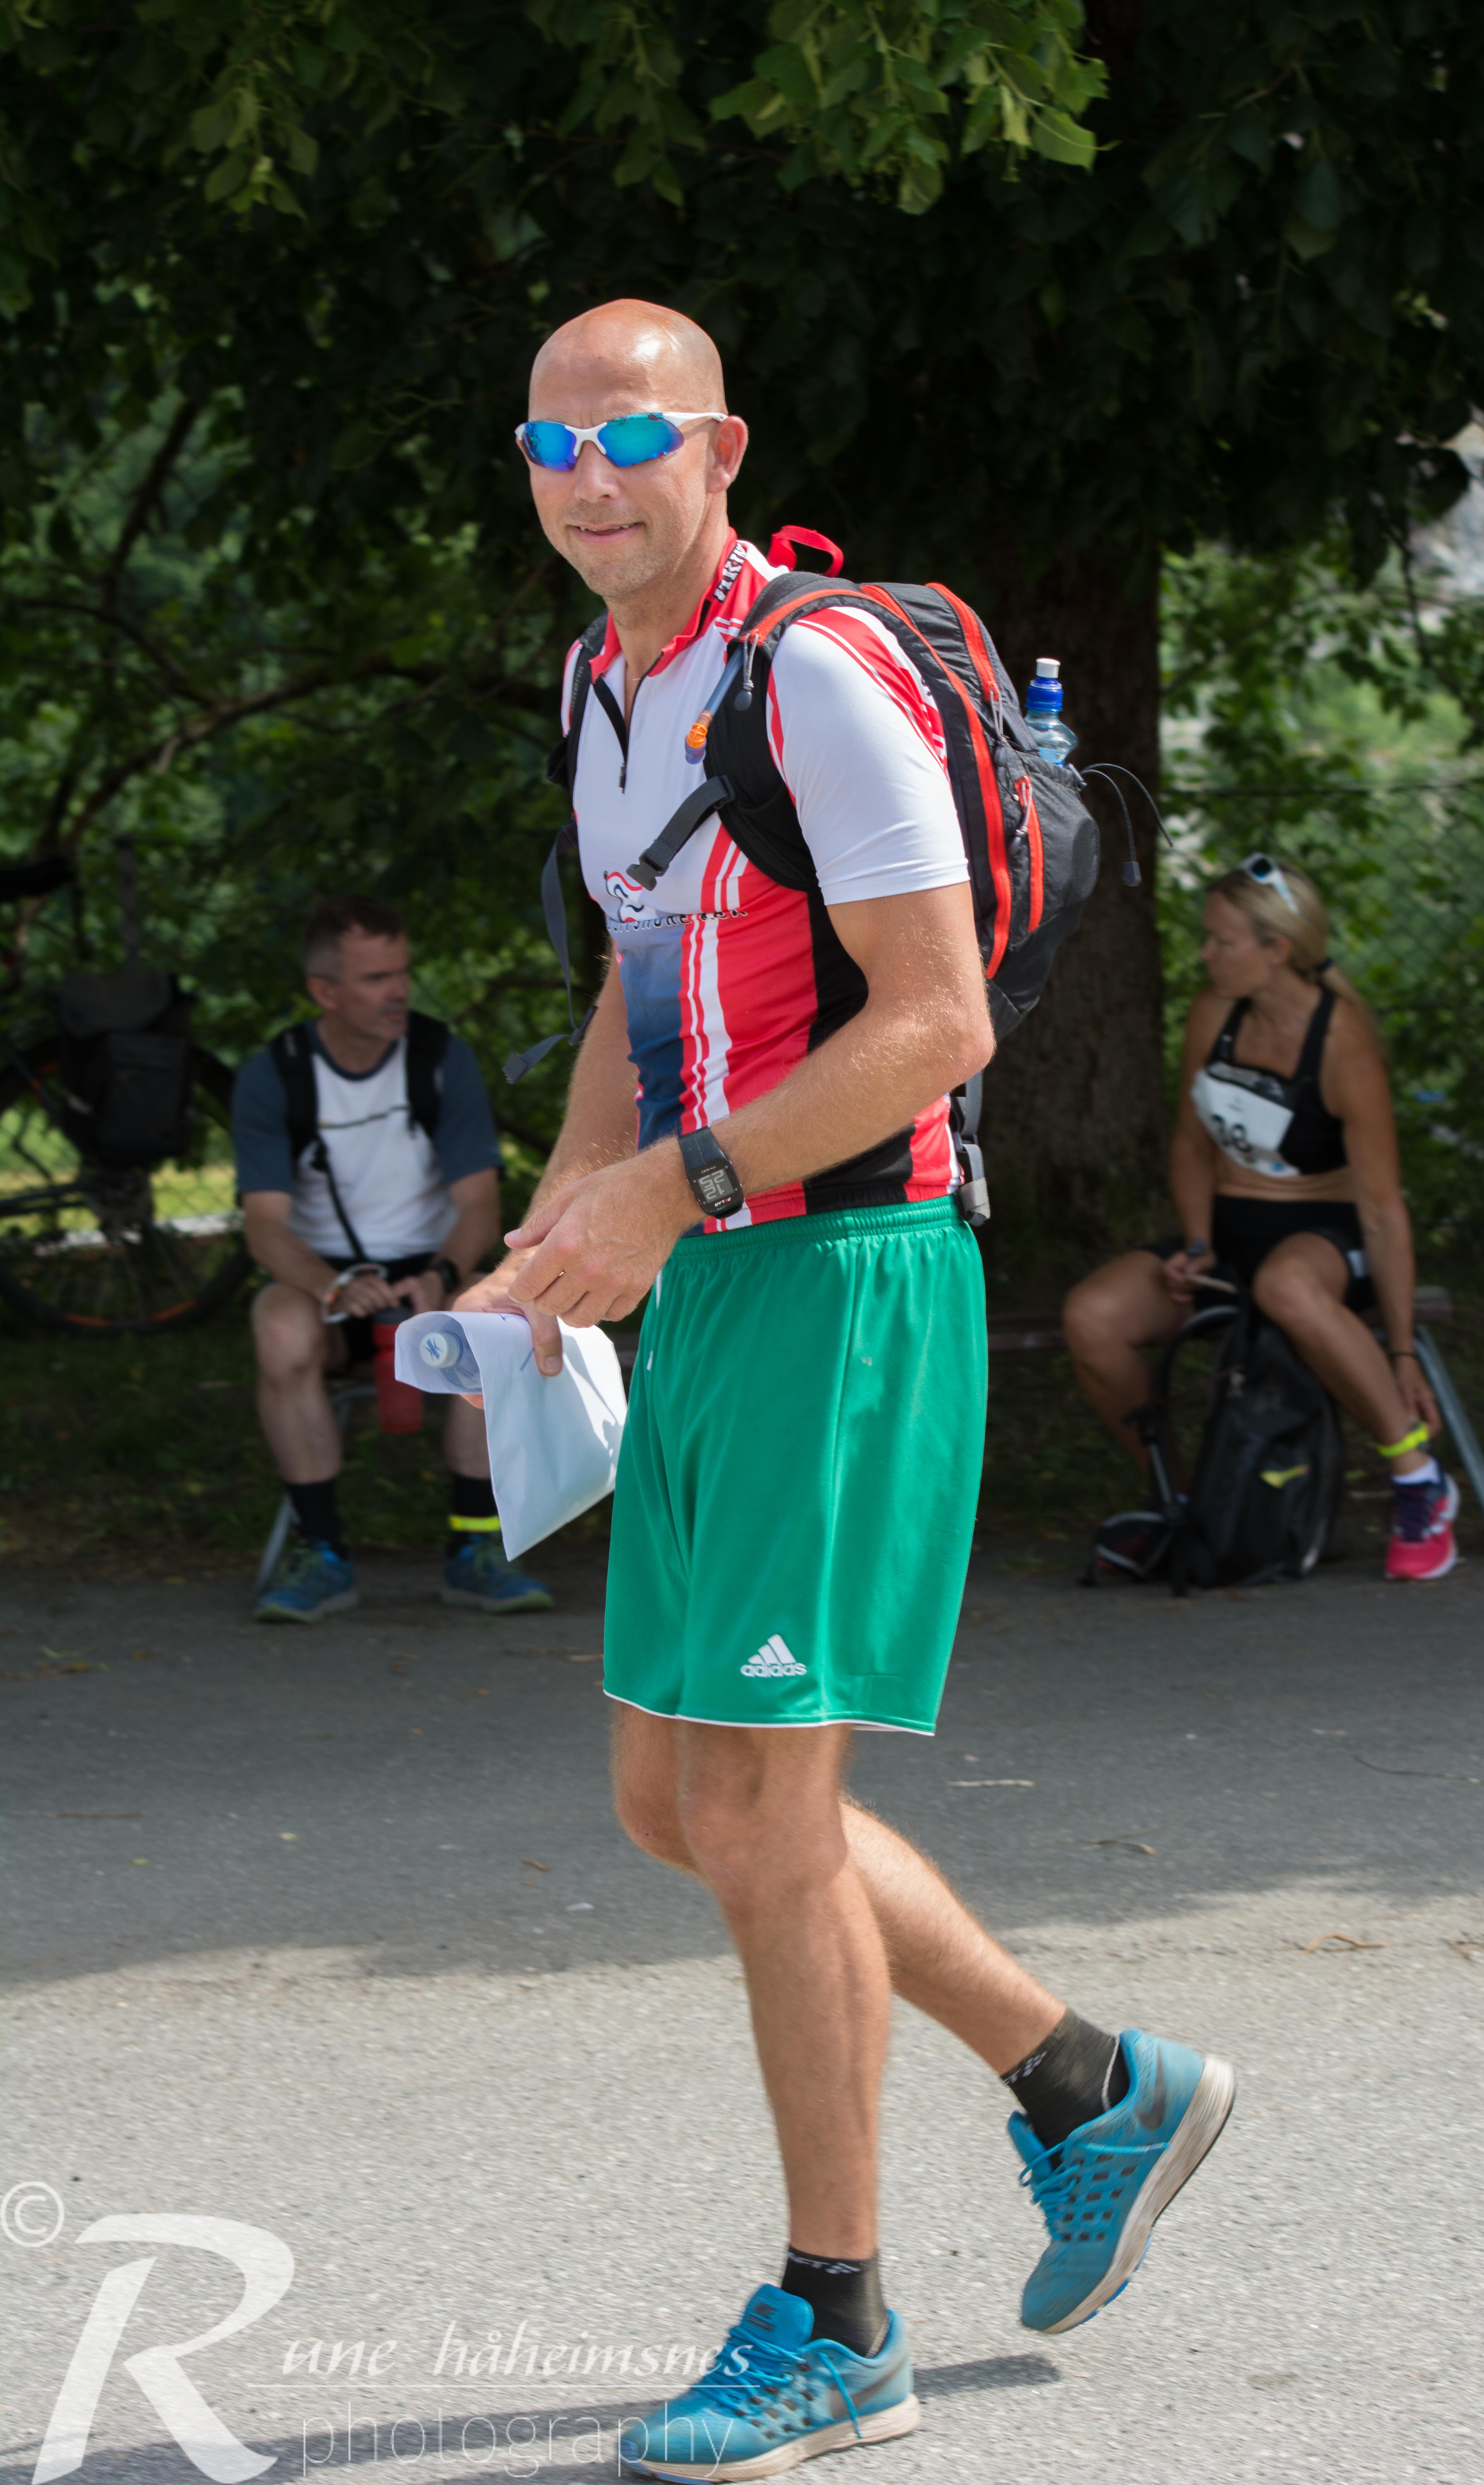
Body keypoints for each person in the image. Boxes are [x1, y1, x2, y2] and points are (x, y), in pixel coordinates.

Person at [456, 299, 1233, 2480]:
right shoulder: (605, 687)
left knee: (761, 1818)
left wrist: (671, 1188)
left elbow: (938, 1022)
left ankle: (836, 2321)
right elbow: (635, 982)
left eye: (632, 437)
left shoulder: (812, 673)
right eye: (552, 443)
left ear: (718, 452)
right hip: (711, 1274)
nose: (589, 477)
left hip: (850, 1273)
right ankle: (1092, 2087)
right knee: (671, 1803)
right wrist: (567, 1217)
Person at [1063, 856, 1455, 1584]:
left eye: (1223, 941)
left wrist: (1402, 1350)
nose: (1205, 954)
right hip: (1229, 1232)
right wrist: (1199, 1243)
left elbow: (1382, 1209)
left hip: (1325, 1239)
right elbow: (1191, 1144)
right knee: (1093, 1316)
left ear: (1278, 949)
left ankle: (1418, 1480)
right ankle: (1186, 1500)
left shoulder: (1343, 1043)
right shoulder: (1216, 1013)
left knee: (1286, 1286)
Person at [233, 893, 553, 1622]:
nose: (400, 991)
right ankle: (321, 1553)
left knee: (494, 1320)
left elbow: (479, 1206)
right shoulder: (277, 1072)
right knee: (278, 1326)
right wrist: (333, 1287)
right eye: (377, 978)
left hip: (430, 1270)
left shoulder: (440, 1059)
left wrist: (441, 1275)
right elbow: (265, 1227)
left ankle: (477, 1546)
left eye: (403, 973)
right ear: (325, 992)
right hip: (325, 1280)